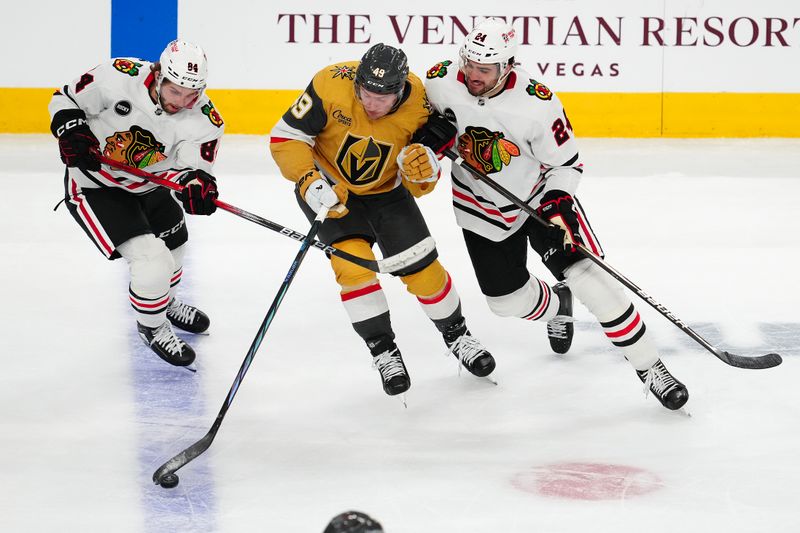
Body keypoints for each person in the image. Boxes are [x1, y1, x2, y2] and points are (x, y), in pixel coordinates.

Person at [423, 18, 689, 410]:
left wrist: (558, 201)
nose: (472, 75)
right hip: (480, 204)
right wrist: (429, 138)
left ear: (508, 66)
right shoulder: (438, 81)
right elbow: (413, 128)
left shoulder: (538, 102)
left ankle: (651, 368)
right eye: (469, 64)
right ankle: (558, 304)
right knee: (506, 303)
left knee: (592, 281)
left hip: (540, 201)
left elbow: (568, 164)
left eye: (484, 69)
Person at [270, 43, 495, 397]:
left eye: (383, 96)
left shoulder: (421, 105)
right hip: (328, 190)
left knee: (424, 270)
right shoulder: (330, 83)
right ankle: (383, 349)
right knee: (354, 269)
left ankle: (457, 334)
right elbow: (287, 137)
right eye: (365, 92)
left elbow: (420, 181)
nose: (372, 103)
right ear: (357, 80)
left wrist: (425, 171)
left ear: (401, 89)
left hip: (387, 193)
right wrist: (307, 179)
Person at [48, 40, 224, 367]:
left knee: (176, 243)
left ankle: (163, 300)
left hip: (147, 185)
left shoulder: (205, 118)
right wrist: (70, 128)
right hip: (95, 186)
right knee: (151, 261)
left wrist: (199, 183)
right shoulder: (117, 75)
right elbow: (65, 98)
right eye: (176, 92)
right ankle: (153, 326)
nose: (183, 103)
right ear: (158, 76)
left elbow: (194, 166)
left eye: (192, 94)